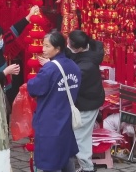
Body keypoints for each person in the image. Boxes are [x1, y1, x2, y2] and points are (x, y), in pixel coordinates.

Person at [30, 31, 81, 172]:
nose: (43, 49)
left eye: (47, 46)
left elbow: (34, 88)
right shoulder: (73, 66)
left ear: (57, 49)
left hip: (49, 120)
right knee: (65, 155)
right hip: (65, 117)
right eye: (43, 45)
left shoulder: (49, 69)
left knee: (49, 160)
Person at [66, 30, 105, 172]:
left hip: (87, 103)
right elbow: (74, 56)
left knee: (80, 137)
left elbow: (71, 79)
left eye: (69, 44)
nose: (67, 45)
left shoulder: (86, 66)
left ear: (78, 48)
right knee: (82, 135)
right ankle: (85, 165)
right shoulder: (92, 49)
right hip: (90, 99)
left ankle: (87, 167)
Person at [0, 5, 40, 105]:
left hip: (5, 90)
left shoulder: (0, 47)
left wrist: (28, 17)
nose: (2, 40)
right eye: (0, 39)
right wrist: (5, 72)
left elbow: (12, 32)